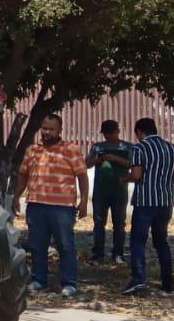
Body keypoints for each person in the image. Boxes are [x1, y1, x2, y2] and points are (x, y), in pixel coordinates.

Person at [11, 114, 88, 297]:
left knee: (66, 246)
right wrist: (16, 196)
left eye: (51, 129)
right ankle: (39, 280)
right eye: (44, 128)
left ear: (60, 130)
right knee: (37, 245)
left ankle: (69, 283)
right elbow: (23, 174)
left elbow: (82, 176)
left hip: (62, 208)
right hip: (36, 205)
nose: (46, 132)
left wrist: (84, 201)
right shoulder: (32, 150)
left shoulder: (71, 150)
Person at [126, 117, 174, 295]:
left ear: (139, 132)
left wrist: (123, 178)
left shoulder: (139, 148)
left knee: (138, 241)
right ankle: (168, 282)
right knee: (161, 242)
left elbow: (136, 175)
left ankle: (139, 280)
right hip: (166, 201)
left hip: (145, 201)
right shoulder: (173, 149)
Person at [86, 120, 134, 264]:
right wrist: (97, 160)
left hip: (119, 191)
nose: (107, 136)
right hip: (100, 191)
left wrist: (115, 159)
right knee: (99, 223)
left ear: (117, 131)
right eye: (105, 133)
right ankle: (98, 254)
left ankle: (118, 254)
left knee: (119, 224)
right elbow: (86, 164)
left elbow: (133, 164)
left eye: (110, 133)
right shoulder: (97, 147)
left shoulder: (127, 147)